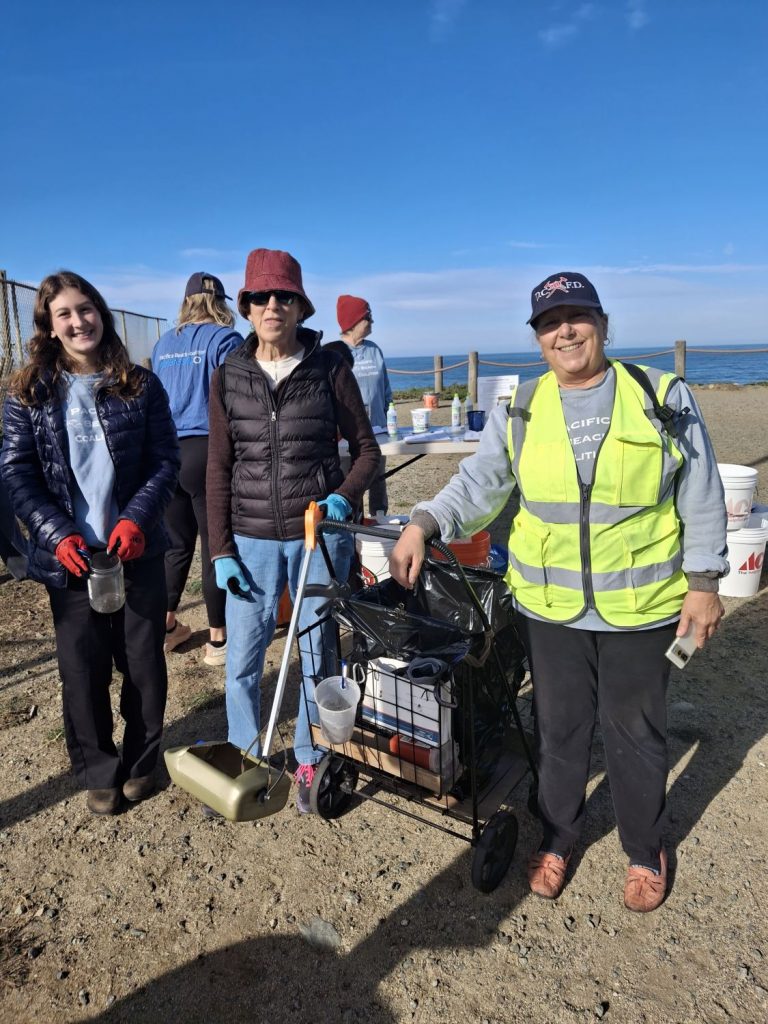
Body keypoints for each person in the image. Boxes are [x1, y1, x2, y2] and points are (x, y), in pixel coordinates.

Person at [389, 271, 728, 912]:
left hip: (642, 606)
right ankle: (560, 837)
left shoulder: (660, 394)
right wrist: (424, 521)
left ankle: (643, 849)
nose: (564, 331)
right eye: (550, 323)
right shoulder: (521, 407)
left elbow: (702, 493)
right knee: (559, 731)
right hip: (549, 608)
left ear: (601, 323)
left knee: (636, 732)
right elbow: (481, 482)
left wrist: (706, 582)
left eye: (576, 317)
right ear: (538, 339)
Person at [206, 249, 380, 813]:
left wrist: (341, 497)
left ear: (301, 306)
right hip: (250, 541)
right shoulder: (230, 374)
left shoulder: (330, 368)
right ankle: (242, 758)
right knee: (243, 661)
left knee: (316, 650)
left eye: (284, 296)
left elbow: (367, 451)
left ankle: (309, 757)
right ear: (246, 307)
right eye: (260, 297)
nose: (272, 306)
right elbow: (218, 468)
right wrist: (220, 551)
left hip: (316, 536)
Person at [1, 271, 179, 815]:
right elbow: (15, 473)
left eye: (86, 309)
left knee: (144, 664)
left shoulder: (140, 385)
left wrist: (137, 520)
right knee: (82, 667)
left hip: (135, 551)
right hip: (72, 557)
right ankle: (99, 767)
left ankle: (143, 761)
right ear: (49, 327)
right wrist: (56, 535)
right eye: (65, 315)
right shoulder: (27, 391)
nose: (79, 321)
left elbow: (164, 461)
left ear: (100, 312)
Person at [152, 272, 242, 666]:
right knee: (215, 543)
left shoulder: (162, 345)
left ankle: (166, 626)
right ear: (220, 302)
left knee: (174, 544)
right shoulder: (225, 340)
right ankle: (219, 639)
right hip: (207, 449)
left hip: (166, 452)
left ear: (186, 302)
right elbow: (239, 398)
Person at [336, 295, 392, 516]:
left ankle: (379, 522)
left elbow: (386, 390)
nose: (372, 322)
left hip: (378, 433)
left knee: (378, 480)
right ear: (353, 321)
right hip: (346, 438)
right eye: (368, 317)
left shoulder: (374, 351)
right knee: (349, 483)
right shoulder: (335, 352)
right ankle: (352, 525)